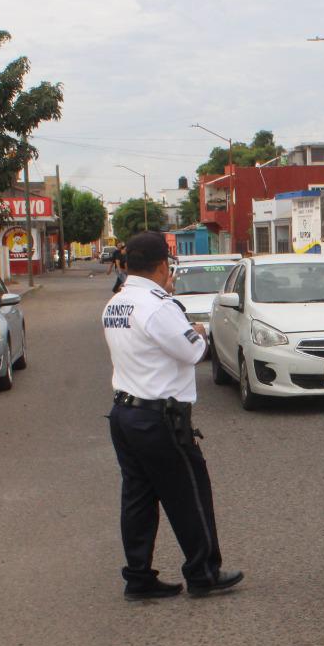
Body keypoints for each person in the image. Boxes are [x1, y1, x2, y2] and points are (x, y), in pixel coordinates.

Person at [103, 231, 243, 599]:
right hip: (158, 418)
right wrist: (197, 331)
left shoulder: (116, 303)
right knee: (189, 493)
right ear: (163, 265)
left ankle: (138, 577)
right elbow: (194, 351)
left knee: (137, 498)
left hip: (124, 413)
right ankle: (203, 573)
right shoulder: (158, 305)